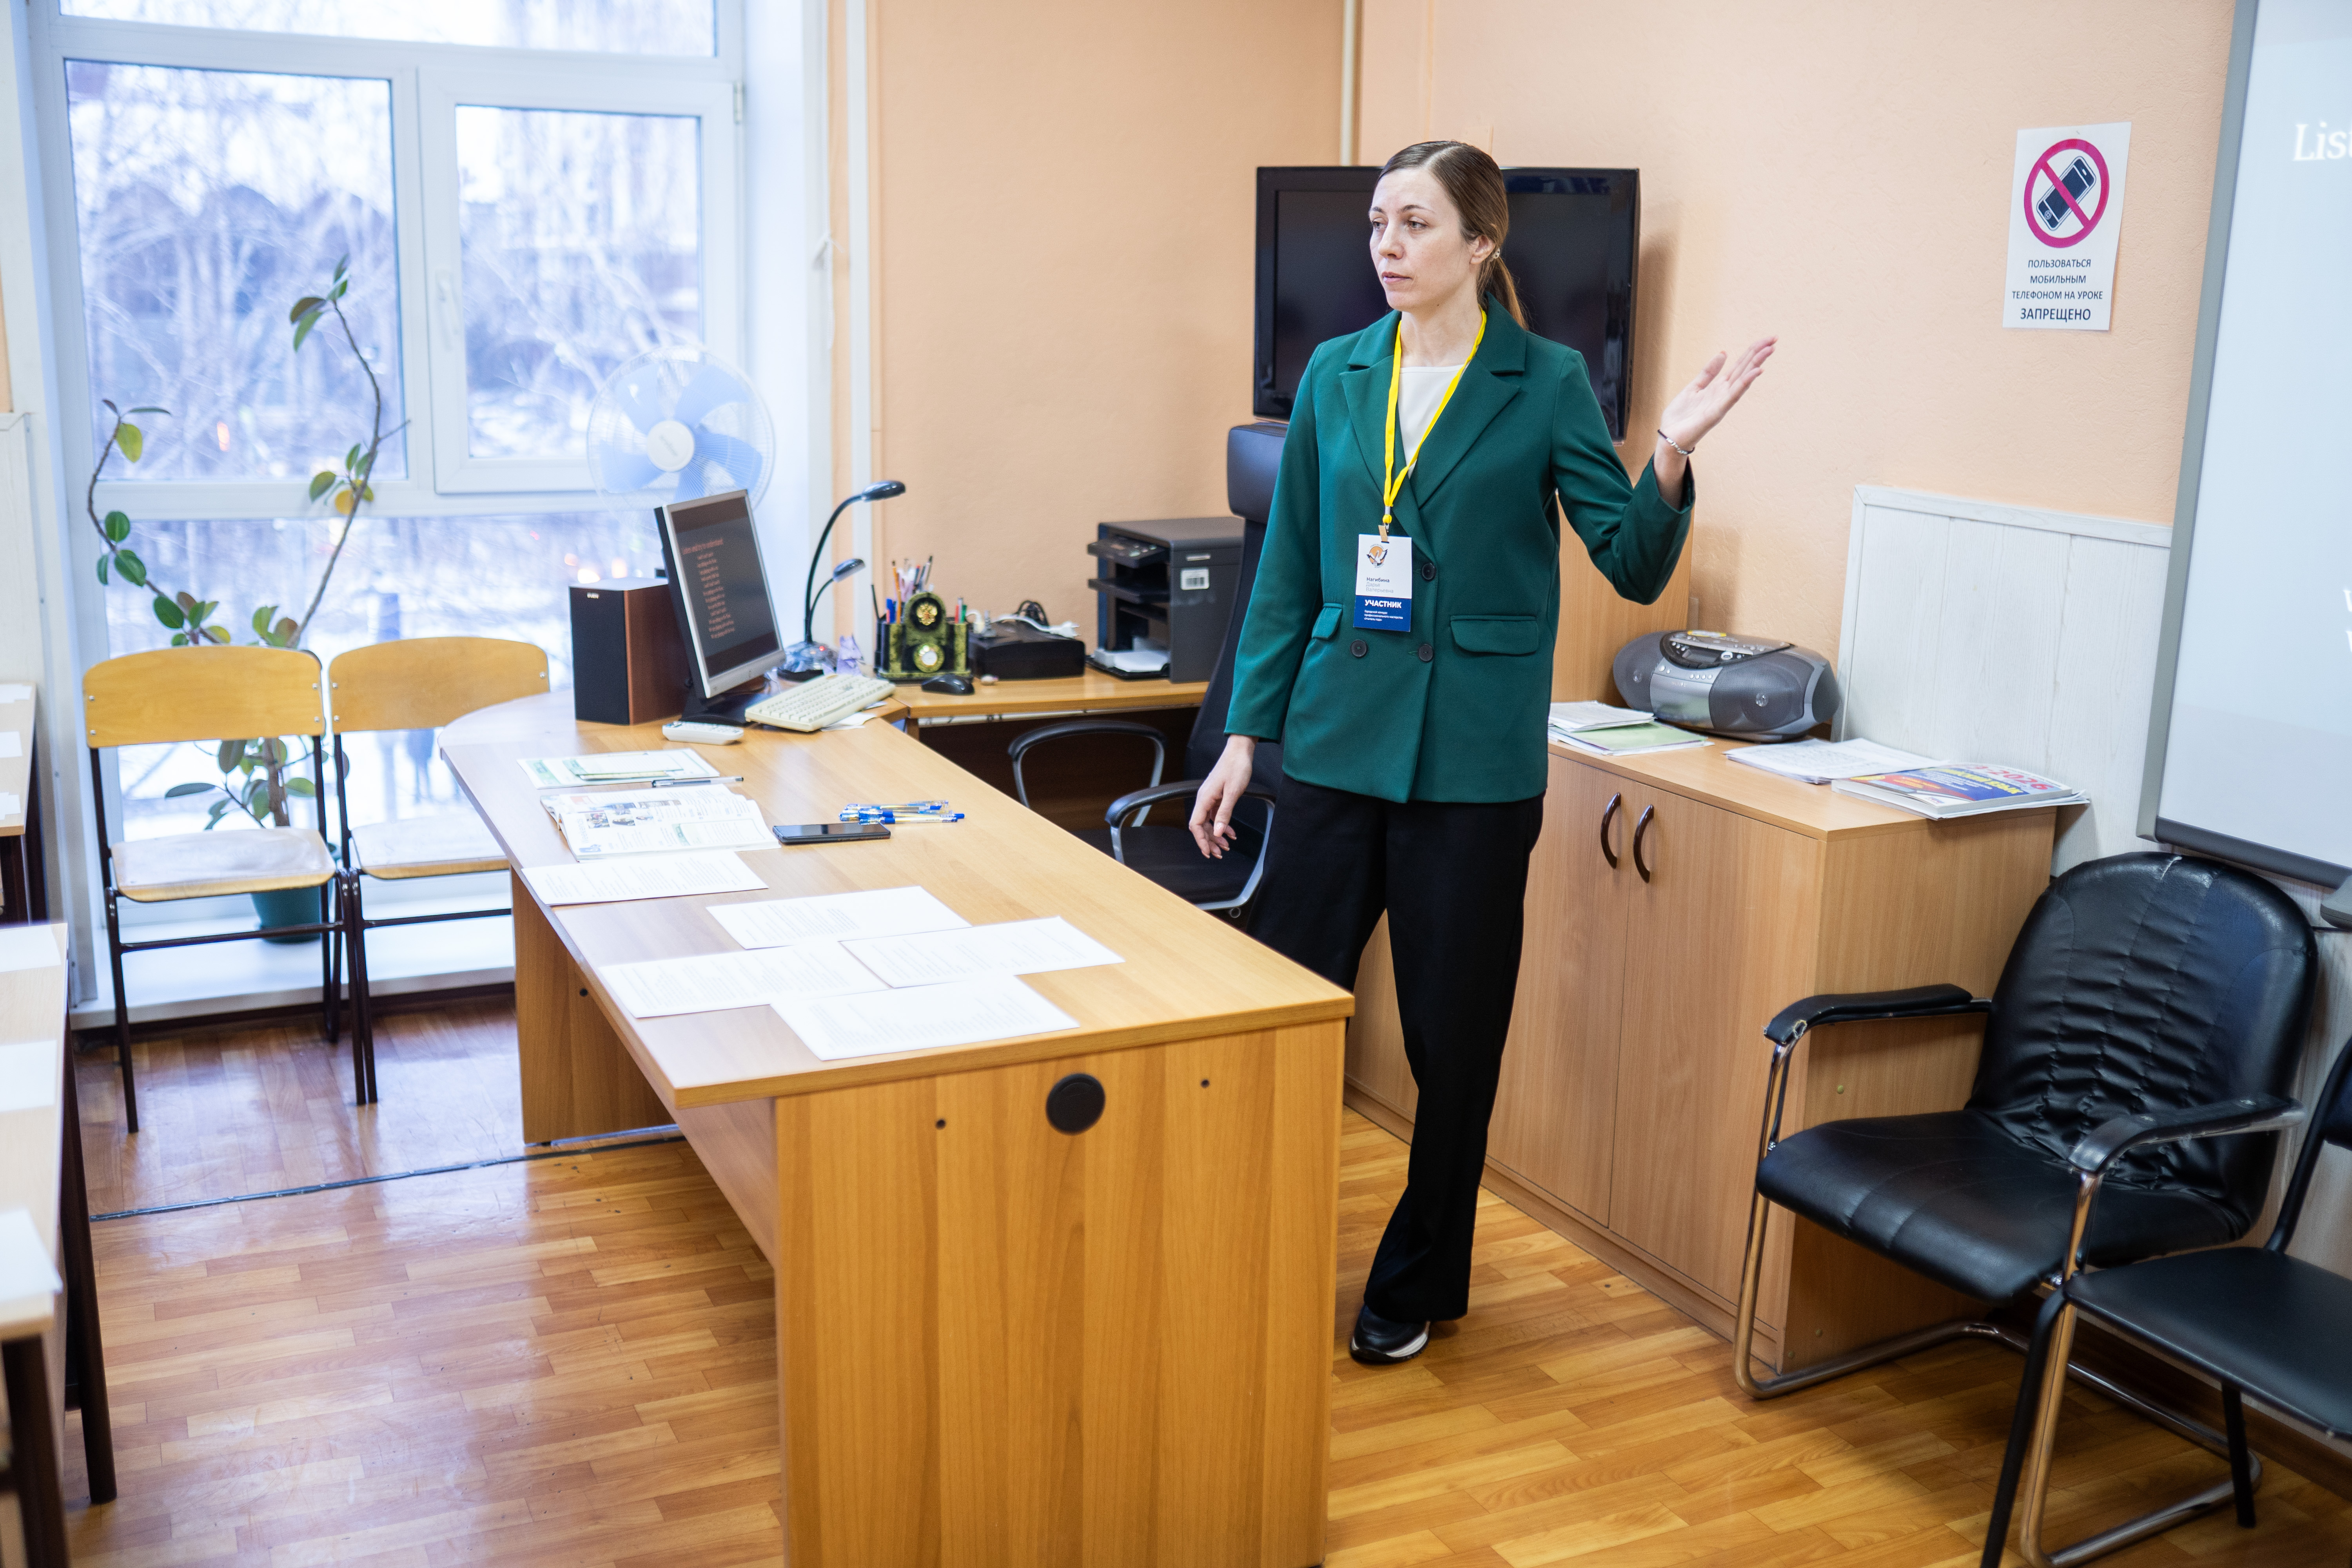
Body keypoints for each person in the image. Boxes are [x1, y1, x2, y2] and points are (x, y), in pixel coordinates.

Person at [1189, 140, 1773, 1366]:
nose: (1387, 246)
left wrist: (1670, 452)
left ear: (1481, 243)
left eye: (1414, 224)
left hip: (1471, 768)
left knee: (1452, 1047)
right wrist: (1247, 733)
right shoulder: (1338, 371)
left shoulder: (1546, 382)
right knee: (1280, 1007)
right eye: (1377, 224)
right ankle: (1243, 1244)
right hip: (1336, 743)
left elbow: (1631, 562)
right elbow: (1288, 569)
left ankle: (1417, 1281)